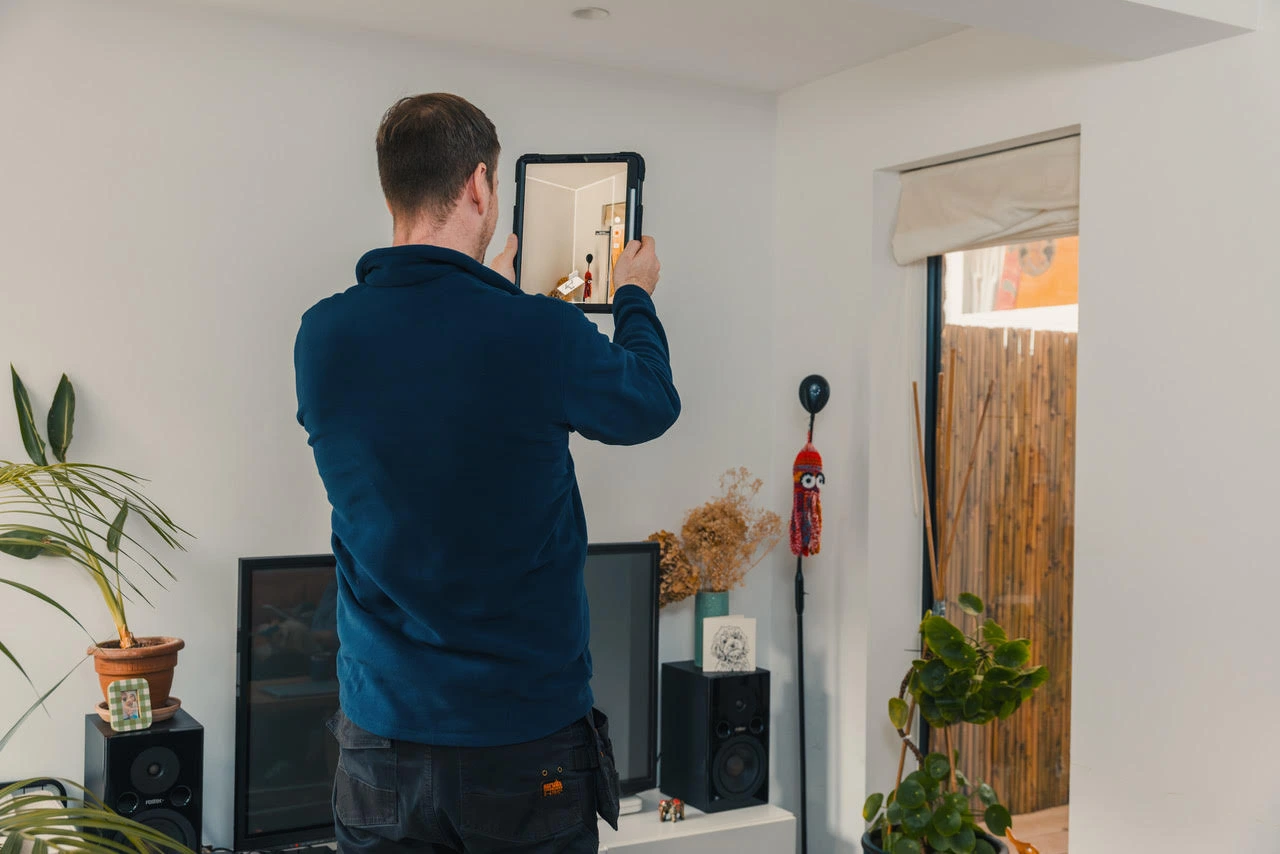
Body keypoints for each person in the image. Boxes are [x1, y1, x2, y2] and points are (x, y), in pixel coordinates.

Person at [293, 93, 680, 854]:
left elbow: (433, 392)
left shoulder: (324, 335)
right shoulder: (536, 332)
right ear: (479, 186)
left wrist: (499, 295)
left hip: (380, 743)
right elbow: (649, 405)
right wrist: (633, 294)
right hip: (523, 739)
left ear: (391, 190)